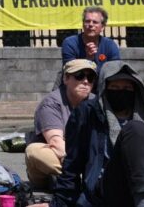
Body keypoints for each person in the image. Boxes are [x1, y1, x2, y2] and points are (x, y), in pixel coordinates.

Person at [52, 60, 144, 207]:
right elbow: (72, 164)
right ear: (104, 88)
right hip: (110, 188)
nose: (121, 92)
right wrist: (61, 203)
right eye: (115, 87)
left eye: (127, 88)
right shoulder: (87, 112)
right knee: (135, 129)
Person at [25, 59, 97, 190]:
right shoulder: (51, 104)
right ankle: (83, 179)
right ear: (66, 79)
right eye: (79, 76)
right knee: (34, 151)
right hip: (60, 159)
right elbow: (56, 143)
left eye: (90, 77)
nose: (85, 81)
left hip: (87, 159)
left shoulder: (97, 102)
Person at [61, 6, 121, 71]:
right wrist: (88, 59)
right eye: (87, 21)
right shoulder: (70, 43)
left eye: (95, 22)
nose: (90, 25)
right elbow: (69, 71)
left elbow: (115, 71)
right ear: (83, 24)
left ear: (102, 27)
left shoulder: (110, 45)